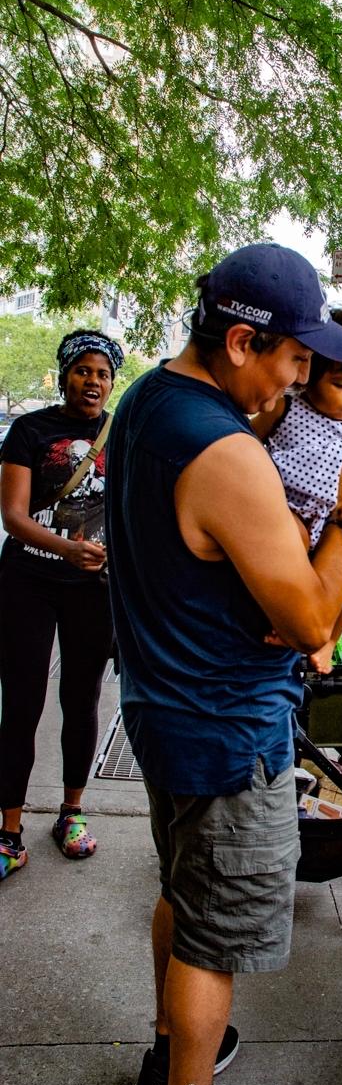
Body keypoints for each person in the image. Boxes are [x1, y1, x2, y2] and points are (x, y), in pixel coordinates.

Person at [105, 243, 342, 1085]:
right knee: (213, 941)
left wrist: (308, 571)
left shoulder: (146, 400)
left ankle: (172, 1047)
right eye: (296, 359)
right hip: (226, 729)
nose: (299, 382)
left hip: (163, 705)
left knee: (183, 894)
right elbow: (306, 620)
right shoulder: (225, 451)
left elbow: (210, 563)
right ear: (240, 345)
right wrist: (340, 528)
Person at [0, 330, 124, 882]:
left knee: (82, 699)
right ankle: (9, 829)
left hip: (91, 590)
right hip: (28, 579)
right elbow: (14, 516)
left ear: (111, 382)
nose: (92, 381)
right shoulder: (30, 430)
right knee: (21, 704)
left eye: (102, 373)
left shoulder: (119, 435)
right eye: (83, 370)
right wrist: (66, 548)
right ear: (64, 374)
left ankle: (71, 812)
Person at [252, 307, 342, 671]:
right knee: (283, 575)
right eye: (341, 384)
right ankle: (284, 624)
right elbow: (243, 444)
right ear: (308, 375)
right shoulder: (284, 409)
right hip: (291, 517)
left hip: (338, 524)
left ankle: (327, 643)